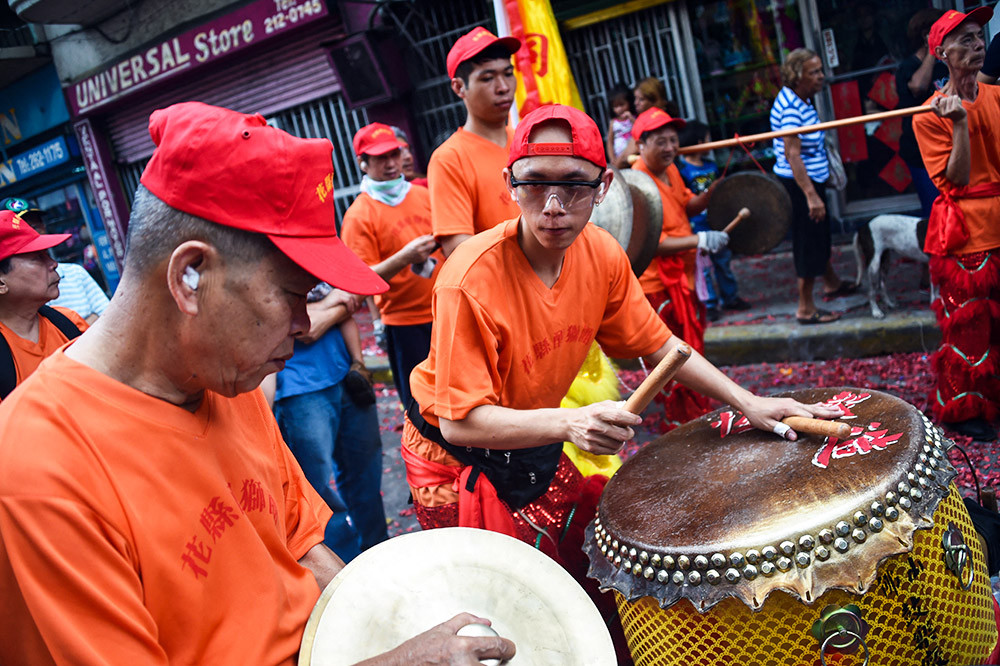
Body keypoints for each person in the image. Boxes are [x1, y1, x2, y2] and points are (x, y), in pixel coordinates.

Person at [0, 102, 516, 665]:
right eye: (294, 295)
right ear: (189, 278)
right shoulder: (38, 469)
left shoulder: (229, 381)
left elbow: (301, 542)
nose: (304, 323)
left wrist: (391, 623)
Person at [400, 102, 839, 571]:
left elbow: (660, 345)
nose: (552, 206)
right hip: (451, 456)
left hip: (528, 434)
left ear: (604, 187)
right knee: (504, 592)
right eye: (534, 183)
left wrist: (748, 401)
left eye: (573, 185)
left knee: (580, 558)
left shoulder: (603, 254)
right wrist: (570, 424)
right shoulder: (467, 279)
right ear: (509, 184)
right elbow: (459, 422)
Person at [913, 7, 1000, 442]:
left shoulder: (998, 98)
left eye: (979, 36)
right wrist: (960, 124)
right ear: (940, 52)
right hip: (966, 230)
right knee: (969, 328)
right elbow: (958, 179)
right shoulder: (927, 116)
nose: (977, 44)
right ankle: (964, 409)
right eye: (964, 39)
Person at [272, 280, 389, 562]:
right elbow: (307, 328)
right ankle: (344, 569)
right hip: (299, 388)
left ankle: (379, 556)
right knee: (315, 491)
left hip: (346, 372)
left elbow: (354, 296)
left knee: (366, 477)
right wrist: (334, 304)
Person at [630, 108, 726, 427]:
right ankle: (680, 424)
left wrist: (713, 194)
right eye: (661, 141)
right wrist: (699, 240)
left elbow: (687, 204)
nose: (670, 147)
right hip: (656, 284)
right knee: (670, 358)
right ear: (641, 143)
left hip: (683, 277)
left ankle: (694, 414)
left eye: (673, 140)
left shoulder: (671, 170)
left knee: (690, 349)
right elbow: (651, 242)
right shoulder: (637, 182)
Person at [341, 122, 442, 410]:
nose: (391, 163)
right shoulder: (360, 215)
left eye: (394, 154)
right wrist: (405, 257)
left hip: (446, 311)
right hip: (405, 324)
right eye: (380, 158)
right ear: (363, 163)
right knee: (421, 405)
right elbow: (359, 280)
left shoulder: (423, 195)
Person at [770, 48, 855, 326]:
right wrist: (811, 196)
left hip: (810, 179)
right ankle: (805, 307)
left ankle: (831, 282)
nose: (821, 76)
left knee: (818, 236)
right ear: (798, 76)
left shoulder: (802, 99)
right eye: (814, 72)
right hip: (800, 184)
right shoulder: (792, 108)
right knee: (808, 241)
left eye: (820, 70)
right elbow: (793, 154)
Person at [428, 27, 522, 257]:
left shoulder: (525, 142)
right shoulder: (449, 159)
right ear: (459, 87)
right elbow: (459, 249)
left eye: (508, 73)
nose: (503, 87)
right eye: (488, 78)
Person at [0, 209, 87, 399]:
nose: (54, 263)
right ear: (1, 283)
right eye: (37, 258)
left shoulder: (70, 324)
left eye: (47, 254)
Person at [677, 120, 750, 321]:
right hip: (697, 227)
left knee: (723, 262)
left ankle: (730, 297)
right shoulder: (682, 171)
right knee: (704, 268)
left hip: (717, 222)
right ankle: (709, 304)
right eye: (708, 139)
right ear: (700, 141)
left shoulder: (710, 166)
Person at [1, 198, 110, 323]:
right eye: (24, 227)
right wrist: (87, 323)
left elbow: (109, 321)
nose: (54, 265)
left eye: (37, 225)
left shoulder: (75, 273)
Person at [896, 8, 949, 218]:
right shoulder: (908, 67)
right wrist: (931, 50)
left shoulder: (944, 64)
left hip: (947, 144)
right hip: (920, 150)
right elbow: (917, 86)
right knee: (935, 209)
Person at [605, 83, 635, 167]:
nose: (619, 109)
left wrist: (631, 118)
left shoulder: (634, 118)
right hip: (618, 158)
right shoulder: (613, 123)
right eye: (615, 106)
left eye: (622, 104)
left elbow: (638, 129)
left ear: (629, 102)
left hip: (633, 155)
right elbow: (610, 142)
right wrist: (612, 158)